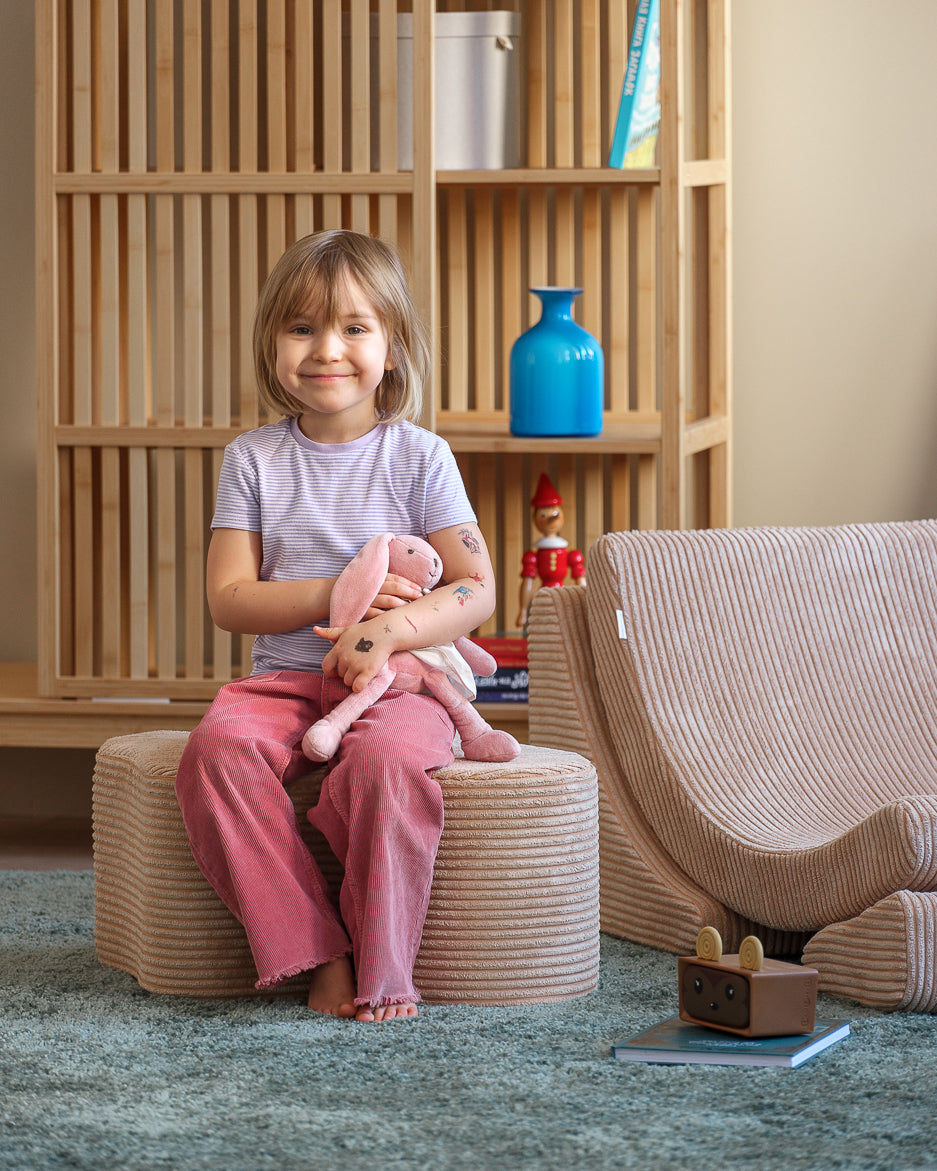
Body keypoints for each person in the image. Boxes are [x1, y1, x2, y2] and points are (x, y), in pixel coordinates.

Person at [175, 230, 498, 1023]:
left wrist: (387, 633)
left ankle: (385, 964)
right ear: (272, 343)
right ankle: (320, 948)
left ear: (391, 348)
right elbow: (229, 598)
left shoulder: (420, 456)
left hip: (397, 686)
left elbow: (476, 587)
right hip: (284, 680)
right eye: (301, 327)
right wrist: (342, 595)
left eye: (354, 327)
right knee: (214, 751)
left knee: (388, 764)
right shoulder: (251, 459)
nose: (327, 349)